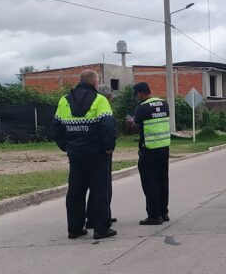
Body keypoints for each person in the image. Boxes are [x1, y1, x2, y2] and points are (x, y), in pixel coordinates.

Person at [51, 70, 117, 240]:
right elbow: (108, 125)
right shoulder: (100, 100)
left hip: (76, 153)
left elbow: (55, 126)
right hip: (97, 153)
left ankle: (74, 229)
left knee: (75, 191)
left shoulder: (64, 100)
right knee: (100, 190)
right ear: (95, 83)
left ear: (80, 81)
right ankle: (101, 228)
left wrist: (65, 146)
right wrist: (109, 146)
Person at [125, 82, 170, 225]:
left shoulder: (142, 108)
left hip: (149, 150)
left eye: (137, 95)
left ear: (140, 94)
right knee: (162, 181)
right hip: (164, 147)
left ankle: (154, 215)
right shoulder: (164, 104)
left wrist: (130, 123)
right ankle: (164, 212)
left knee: (150, 183)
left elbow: (135, 129)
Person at [86, 85, 117, 230]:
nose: (111, 101)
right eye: (111, 98)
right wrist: (109, 146)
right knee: (102, 187)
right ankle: (99, 218)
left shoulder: (91, 104)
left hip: (91, 149)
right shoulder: (101, 105)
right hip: (102, 150)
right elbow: (108, 128)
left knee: (96, 186)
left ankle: (97, 215)